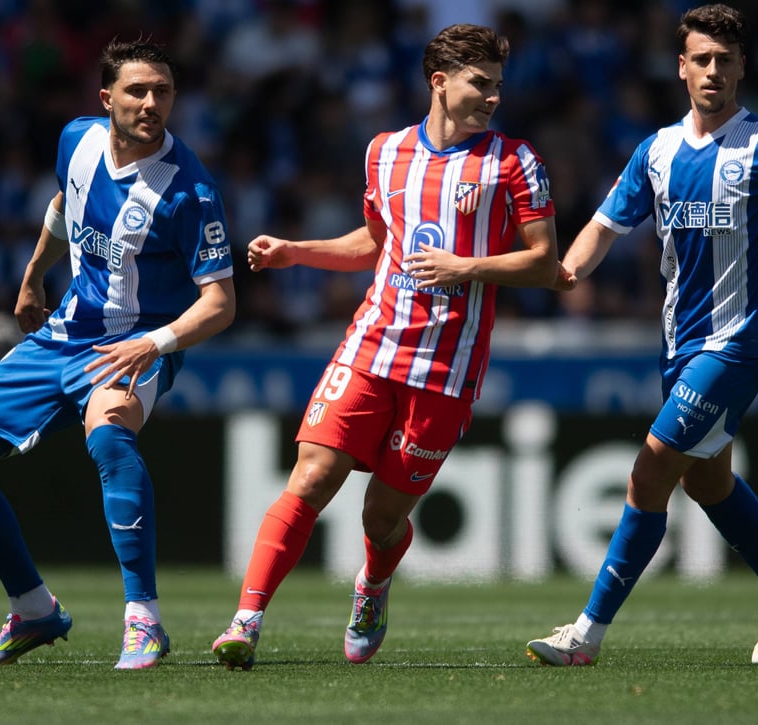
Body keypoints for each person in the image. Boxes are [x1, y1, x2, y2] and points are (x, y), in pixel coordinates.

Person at [211, 23, 559, 670]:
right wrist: (296, 252)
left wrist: (467, 267)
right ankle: (246, 619)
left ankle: (372, 584)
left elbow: (545, 263)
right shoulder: (385, 151)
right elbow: (377, 242)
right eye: (480, 84)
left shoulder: (514, 161)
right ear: (439, 81)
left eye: (497, 86)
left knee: (380, 516)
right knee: (312, 477)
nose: (492, 98)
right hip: (372, 344)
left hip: (447, 370)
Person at [526, 3, 758, 667]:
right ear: (680, 67)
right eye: (701, 59)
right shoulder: (656, 151)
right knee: (706, 484)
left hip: (738, 344)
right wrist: (567, 269)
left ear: (742, 68)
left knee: (647, 473)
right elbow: (604, 224)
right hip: (679, 347)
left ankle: (586, 635)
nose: (712, 70)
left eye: (725, 60)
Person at [0, 38, 237, 670]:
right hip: (65, 331)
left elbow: (221, 304)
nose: (152, 103)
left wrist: (152, 344)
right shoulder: (78, 138)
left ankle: (143, 620)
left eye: (164, 92)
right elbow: (66, 202)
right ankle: (34, 610)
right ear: (106, 98)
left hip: (139, 341)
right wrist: (35, 272)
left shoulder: (190, 192)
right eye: (137, 91)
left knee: (109, 433)